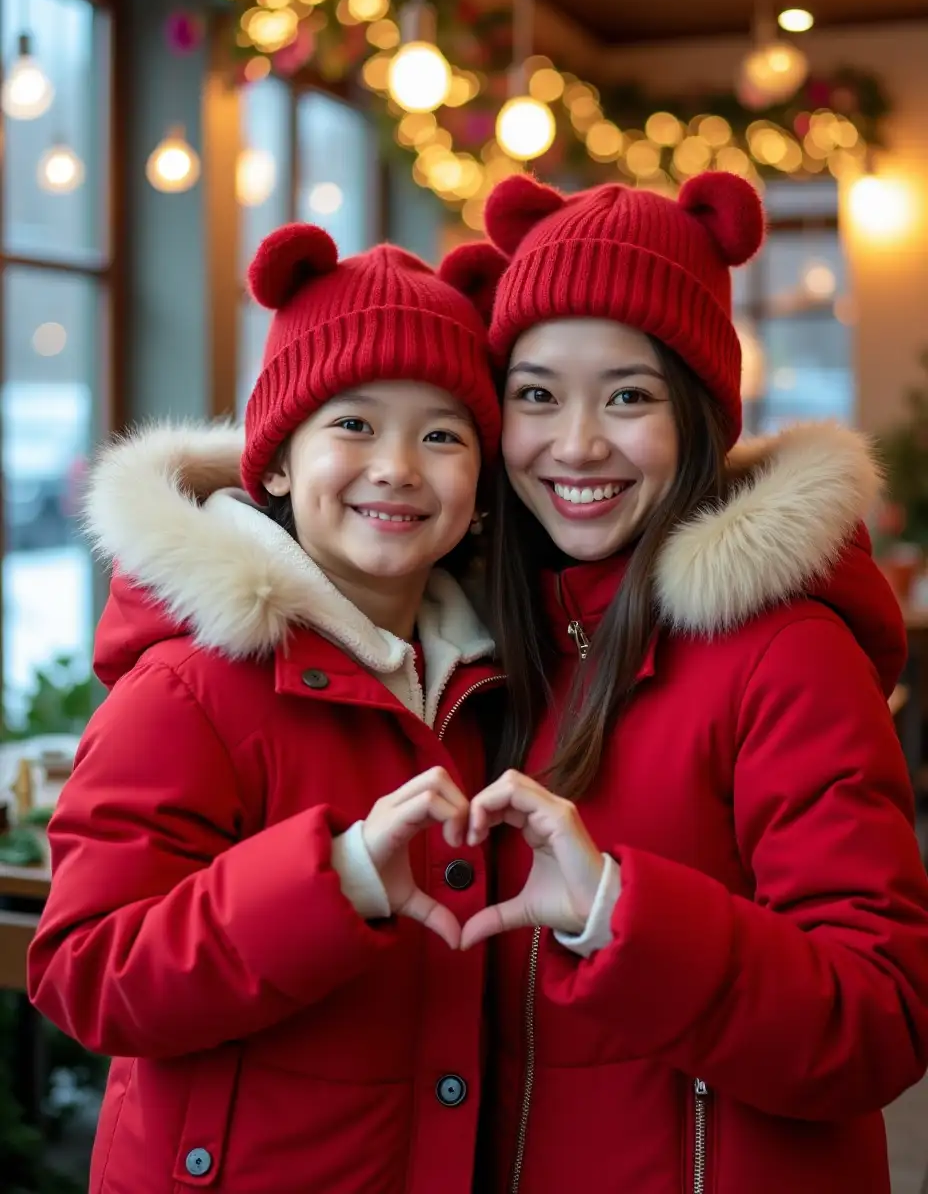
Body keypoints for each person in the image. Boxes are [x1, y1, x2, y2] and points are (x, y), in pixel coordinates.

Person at [445, 171, 928, 1194]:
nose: (575, 443)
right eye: (536, 394)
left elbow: (882, 1013)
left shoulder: (785, 650)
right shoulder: (477, 644)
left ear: (699, 413)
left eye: (628, 395)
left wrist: (619, 913)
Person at [28, 223, 504, 1194]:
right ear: (277, 462)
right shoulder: (187, 687)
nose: (399, 466)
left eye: (441, 432)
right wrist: (334, 880)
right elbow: (84, 968)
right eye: (354, 423)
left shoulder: (491, 685)